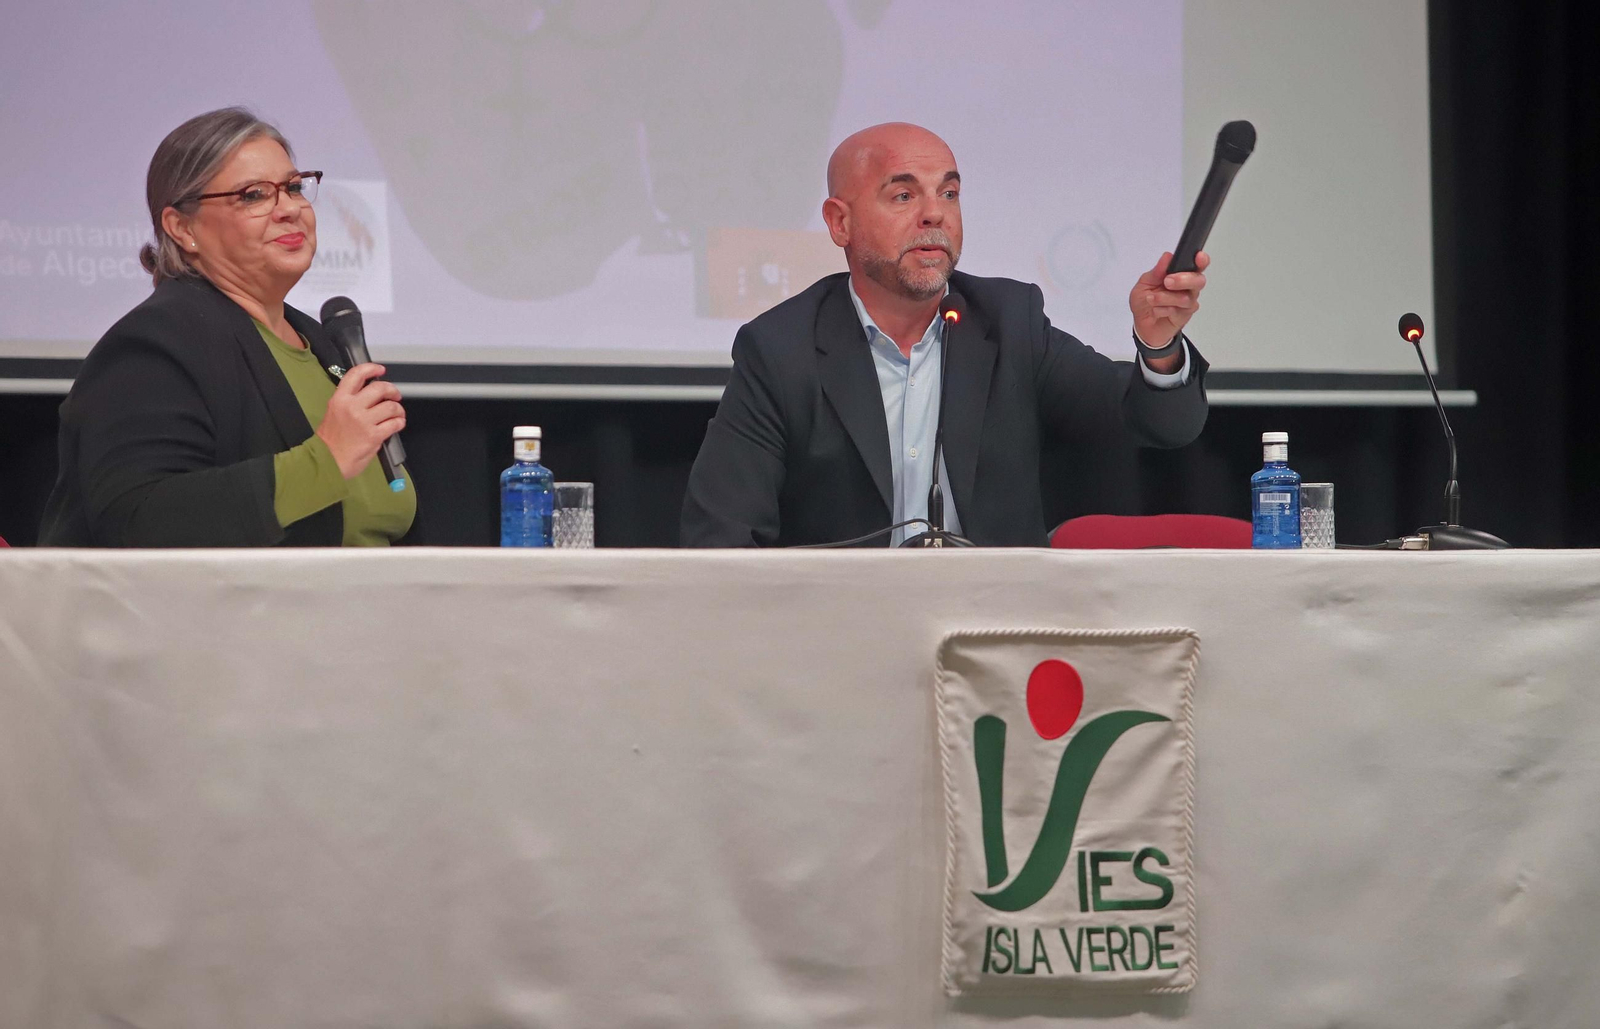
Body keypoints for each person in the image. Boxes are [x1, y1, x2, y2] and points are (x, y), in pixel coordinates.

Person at [681, 122, 1211, 548]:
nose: (935, 213)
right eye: (904, 194)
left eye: (949, 193)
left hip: (993, 638)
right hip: (844, 644)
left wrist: (1159, 345)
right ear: (839, 223)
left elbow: (1159, 423)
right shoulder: (781, 350)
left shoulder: (1008, 322)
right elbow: (720, 537)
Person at [39, 107, 417, 547]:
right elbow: (139, 518)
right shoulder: (153, 345)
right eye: (254, 195)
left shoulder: (323, 347)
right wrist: (325, 460)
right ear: (181, 227)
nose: (289, 209)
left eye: (293, 188)